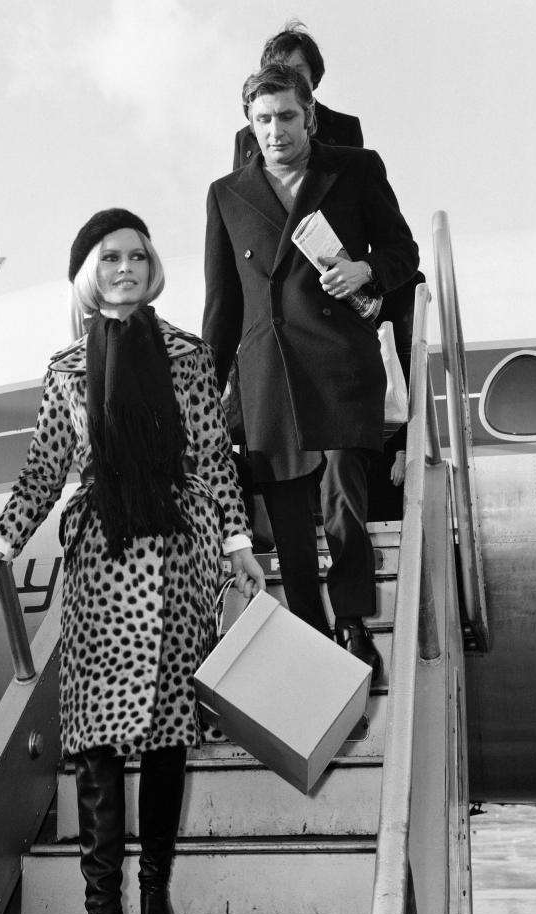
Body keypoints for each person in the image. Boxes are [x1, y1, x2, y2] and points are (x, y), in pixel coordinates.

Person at [0, 208, 265, 914]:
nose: (126, 268)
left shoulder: (188, 355)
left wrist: (238, 542)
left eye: (138, 257)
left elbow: (213, 457)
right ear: (90, 272)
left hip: (180, 554)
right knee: (94, 738)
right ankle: (100, 910)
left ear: (153, 270)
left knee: (166, 735)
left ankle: (153, 898)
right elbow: (43, 473)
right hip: (101, 561)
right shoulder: (64, 370)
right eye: (111, 257)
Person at [203, 64, 420, 682]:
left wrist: (365, 271)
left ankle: (354, 626)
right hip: (268, 370)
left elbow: (405, 252)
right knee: (291, 520)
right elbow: (221, 307)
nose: (276, 131)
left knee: (344, 493)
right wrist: (203, 393)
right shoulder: (226, 193)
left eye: (287, 117)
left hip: (340, 361)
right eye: (263, 119)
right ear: (250, 123)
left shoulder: (354, 169)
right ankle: (311, 632)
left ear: (310, 115)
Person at [232, 20, 363, 168]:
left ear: (313, 74)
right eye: (279, 72)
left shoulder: (345, 128)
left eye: (297, 71)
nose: (289, 80)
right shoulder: (245, 139)